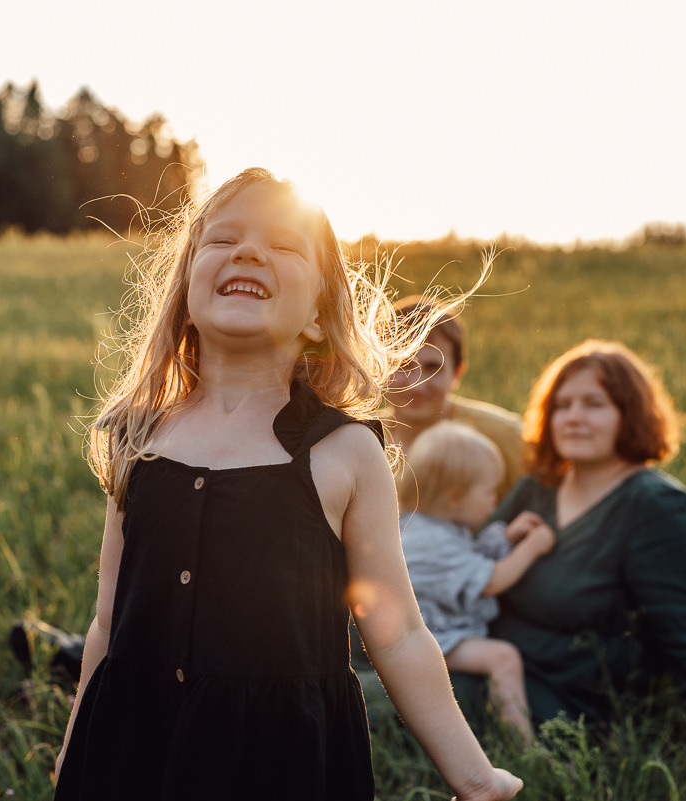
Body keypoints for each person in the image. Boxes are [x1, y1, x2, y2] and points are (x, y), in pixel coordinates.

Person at [52, 168, 522, 801]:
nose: (249, 251)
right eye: (222, 240)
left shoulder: (343, 451)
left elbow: (399, 632)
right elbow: (108, 623)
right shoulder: (139, 437)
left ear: (319, 319)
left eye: (284, 245)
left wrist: (475, 775)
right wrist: (75, 745)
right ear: (186, 295)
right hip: (137, 741)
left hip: (278, 756)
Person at [487, 339, 686, 732]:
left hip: (565, 699)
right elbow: (470, 566)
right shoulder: (538, 487)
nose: (573, 418)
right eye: (562, 406)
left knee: (375, 706)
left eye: (594, 404)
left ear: (629, 415)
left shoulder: (660, 509)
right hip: (478, 654)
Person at [396, 421, 556, 744]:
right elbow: (492, 580)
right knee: (503, 657)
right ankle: (525, 747)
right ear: (455, 498)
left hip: (437, 627)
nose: (495, 500)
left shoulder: (435, 525)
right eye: (489, 491)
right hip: (426, 638)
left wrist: (507, 535)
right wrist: (531, 548)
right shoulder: (428, 542)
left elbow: (469, 559)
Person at [382, 296, 523, 500]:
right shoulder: (361, 439)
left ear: (457, 373)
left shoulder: (503, 435)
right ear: (379, 369)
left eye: (433, 368)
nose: (417, 385)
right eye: (402, 366)